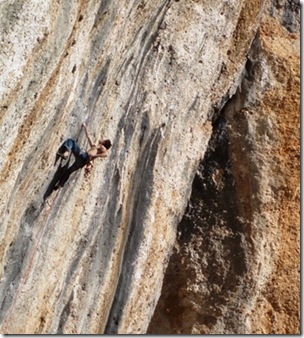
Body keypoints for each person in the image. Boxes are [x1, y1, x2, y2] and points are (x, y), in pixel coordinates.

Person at [55, 123, 111, 188]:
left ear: (103, 142)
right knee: (68, 171)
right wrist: (85, 127)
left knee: (71, 141)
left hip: (84, 155)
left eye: (103, 140)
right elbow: (88, 137)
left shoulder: (101, 147)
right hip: (83, 162)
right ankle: (60, 184)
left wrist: (96, 155)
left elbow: (106, 154)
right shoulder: (95, 147)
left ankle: (66, 153)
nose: (102, 139)